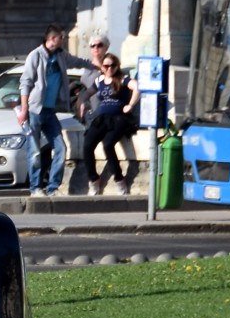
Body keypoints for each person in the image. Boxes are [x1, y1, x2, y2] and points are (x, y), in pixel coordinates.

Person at [16, 24, 98, 196]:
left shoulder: (61, 56)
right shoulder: (36, 56)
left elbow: (76, 62)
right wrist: (24, 109)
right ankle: (36, 188)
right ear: (53, 39)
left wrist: (95, 65)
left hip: (50, 110)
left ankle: (53, 187)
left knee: (60, 147)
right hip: (35, 110)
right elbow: (26, 83)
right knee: (35, 151)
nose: (64, 40)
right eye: (62, 37)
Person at [82, 53, 140, 196]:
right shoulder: (99, 80)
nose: (109, 69)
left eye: (112, 66)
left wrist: (130, 105)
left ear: (117, 66)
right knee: (87, 145)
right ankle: (93, 179)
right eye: (106, 66)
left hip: (119, 118)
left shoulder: (122, 79)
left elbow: (138, 87)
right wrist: (82, 102)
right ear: (102, 67)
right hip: (102, 117)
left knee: (108, 144)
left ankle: (120, 180)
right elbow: (86, 93)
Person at [79, 34, 112, 122]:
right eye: (92, 46)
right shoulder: (85, 65)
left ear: (106, 47)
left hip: (104, 110)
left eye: (99, 45)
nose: (95, 48)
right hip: (87, 111)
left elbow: (115, 81)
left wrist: (101, 67)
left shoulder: (111, 65)